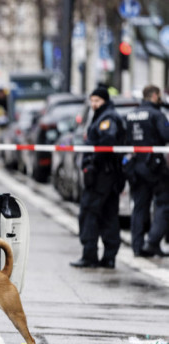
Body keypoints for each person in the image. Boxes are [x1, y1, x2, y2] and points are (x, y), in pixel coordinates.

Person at [70, 87, 126, 268]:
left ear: (105, 101)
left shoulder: (107, 118)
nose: (94, 104)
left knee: (89, 213)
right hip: (109, 175)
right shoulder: (104, 116)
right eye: (92, 101)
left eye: (97, 101)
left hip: (102, 175)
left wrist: (92, 164)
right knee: (108, 214)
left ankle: (90, 255)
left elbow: (106, 142)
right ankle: (109, 257)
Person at [126, 85, 169, 257]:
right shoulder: (156, 114)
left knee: (139, 206)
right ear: (154, 96)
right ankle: (152, 242)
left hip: (136, 166)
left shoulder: (131, 114)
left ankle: (137, 246)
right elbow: (166, 135)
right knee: (164, 203)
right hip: (155, 167)